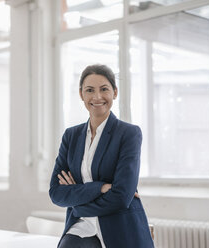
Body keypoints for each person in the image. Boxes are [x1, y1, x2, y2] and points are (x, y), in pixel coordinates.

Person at [49, 64, 154, 248]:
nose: (97, 97)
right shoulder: (71, 136)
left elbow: (121, 197)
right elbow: (56, 193)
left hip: (120, 228)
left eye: (104, 89)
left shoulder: (128, 134)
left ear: (114, 92)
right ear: (82, 94)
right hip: (82, 227)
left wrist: (77, 203)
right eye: (90, 90)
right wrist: (100, 188)